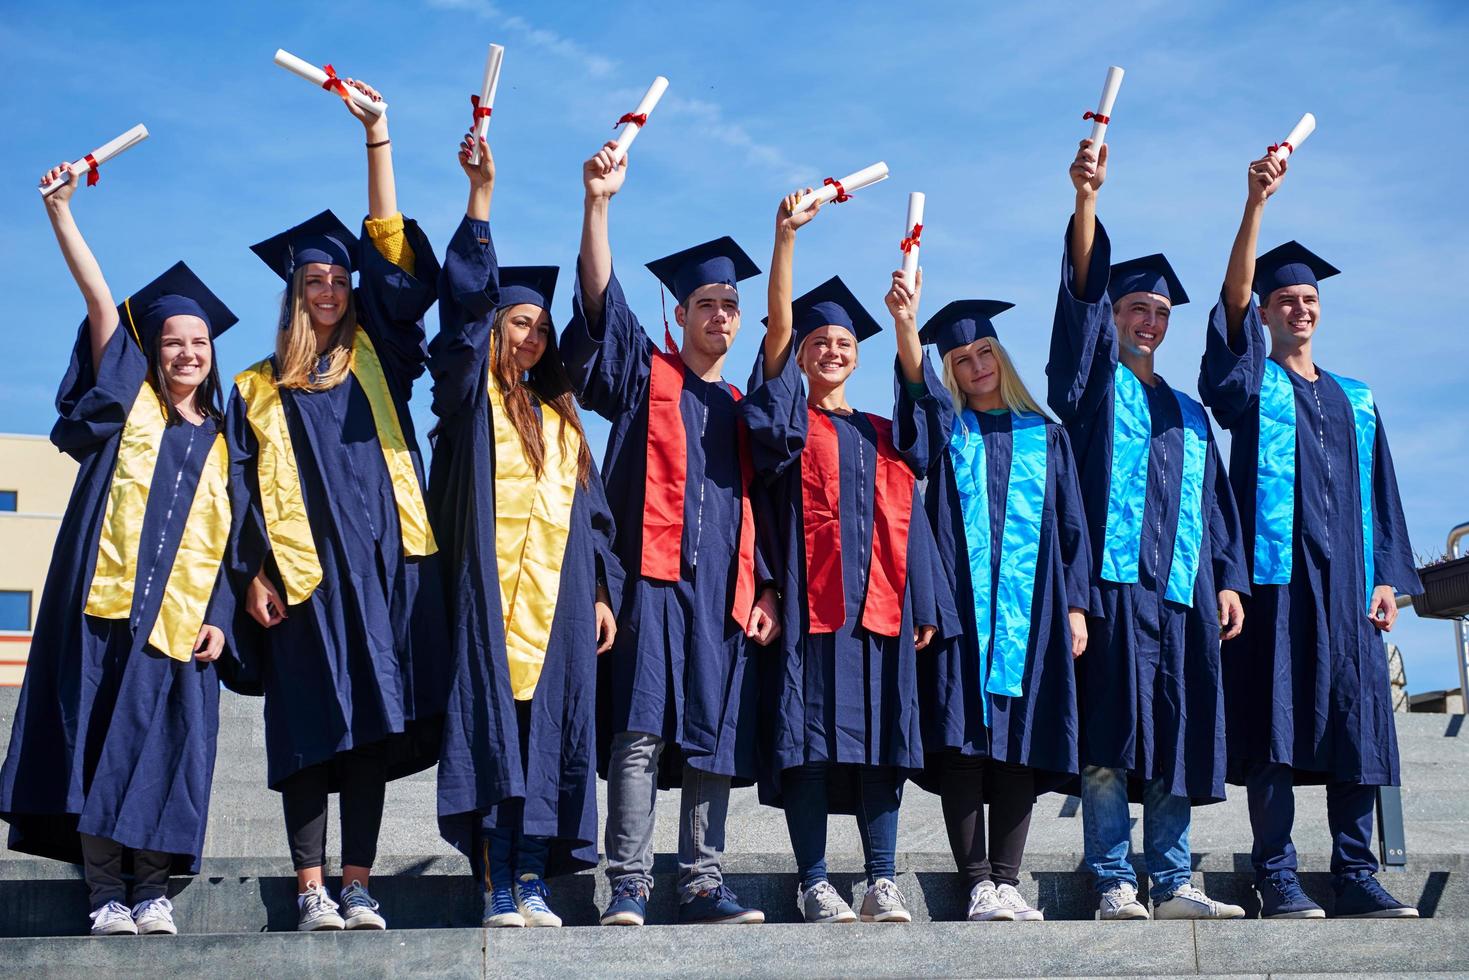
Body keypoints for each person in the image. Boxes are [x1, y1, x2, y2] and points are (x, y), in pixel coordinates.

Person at [225, 75, 448, 932]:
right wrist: (249, 574)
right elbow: (239, 493)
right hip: (306, 583)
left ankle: (358, 882)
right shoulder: (253, 387)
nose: (328, 287)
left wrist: (377, 140)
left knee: (373, 736)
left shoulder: (379, 358)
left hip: (386, 574)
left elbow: (397, 264)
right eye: (313, 277)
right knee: (312, 732)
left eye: (338, 276)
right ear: (292, 288)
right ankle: (309, 884)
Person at [0, 163, 240, 937]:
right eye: (171, 341)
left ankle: (153, 891)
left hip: (180, 627)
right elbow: (101, 302)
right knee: (96, 745)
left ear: (212, 353)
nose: (186, 353)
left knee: (167, 754)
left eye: (198, 342)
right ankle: (105, 892)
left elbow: (244, 542)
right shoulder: (124, 408)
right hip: (104, 613)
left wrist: (224, 616)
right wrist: (63, 215)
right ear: (150, 351)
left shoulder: (230, 442)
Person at [1198, 149, 1422, 919]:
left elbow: (1383, 497)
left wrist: (1386, 577)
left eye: (1306, 298)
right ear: (1262, 312)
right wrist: (1253, 205)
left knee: (1358, 727)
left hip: (1349, 592)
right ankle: (1275, 871)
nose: (1298, 307)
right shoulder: (1251, 386)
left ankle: (1355, 871)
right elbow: (1228, 305)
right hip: (1275, 584)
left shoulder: (1355, 399)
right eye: (1282, 298)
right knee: (1272, 728)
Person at [563, 142, 782, 927]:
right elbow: (599, 304)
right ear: (679, 314)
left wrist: (765, 586)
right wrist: (598, 204)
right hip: (648, 583)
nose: (719, 315)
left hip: (723, 592)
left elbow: (779, 504)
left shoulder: (746, 411)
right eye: (705, 305)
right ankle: (627, 884)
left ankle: (700, 880)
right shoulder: (641, 377)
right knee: (640, 730)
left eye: (729, 305)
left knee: (711, 743)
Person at [739, 190, 955, 925]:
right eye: (817, 344)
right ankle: (814, 881)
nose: (832, 350)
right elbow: (768, 372)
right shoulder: (788, 423)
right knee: (809, 746)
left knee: (882, 749)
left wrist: (904, 328)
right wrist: (784, 244)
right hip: (810, 609)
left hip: (883, 615)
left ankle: (881, 880)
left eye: (843, 346)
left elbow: (926, 460)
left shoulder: (881, 431)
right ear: (801, 355)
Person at [1048, 137, 1250, 920]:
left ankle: (1170, 881)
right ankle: (1109, 879)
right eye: (1136, 308)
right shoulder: (1092, 389)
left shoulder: (1189, 413)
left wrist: (1229, 578)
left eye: (1162, 314)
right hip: (1111, 593)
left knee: (1177, 736)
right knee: (1107, 742)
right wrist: (1086, 202)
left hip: (1183, 600)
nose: (1150, 322)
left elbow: (1217, 506)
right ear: (1113, 316)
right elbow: (1077, 305)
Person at [429, 133, 623, 929]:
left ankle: (533, 881)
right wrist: (481, 198)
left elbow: (595, 515)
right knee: (496, 738)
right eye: (517, 323)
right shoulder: (472, 404)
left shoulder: (562, 422)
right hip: (488, 605)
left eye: (540, 328)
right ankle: (495, 883)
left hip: (558, 609)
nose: (531, 337)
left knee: (550, 742)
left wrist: (605, 592)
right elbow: (460, 322)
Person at [891, 275, 1093, 923]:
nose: (975, 366)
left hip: (1031, 615)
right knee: (965, 746)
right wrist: (905, 326)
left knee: (1019, 744)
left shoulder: (1045, 435)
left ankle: (1007, 883)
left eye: (983, 353)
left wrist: (1076, 607)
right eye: (959, 359)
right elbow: (914, 420)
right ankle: (977, 882)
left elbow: (1071, 529)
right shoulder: (946, 433)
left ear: (1000, 358)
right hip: (958, 610)